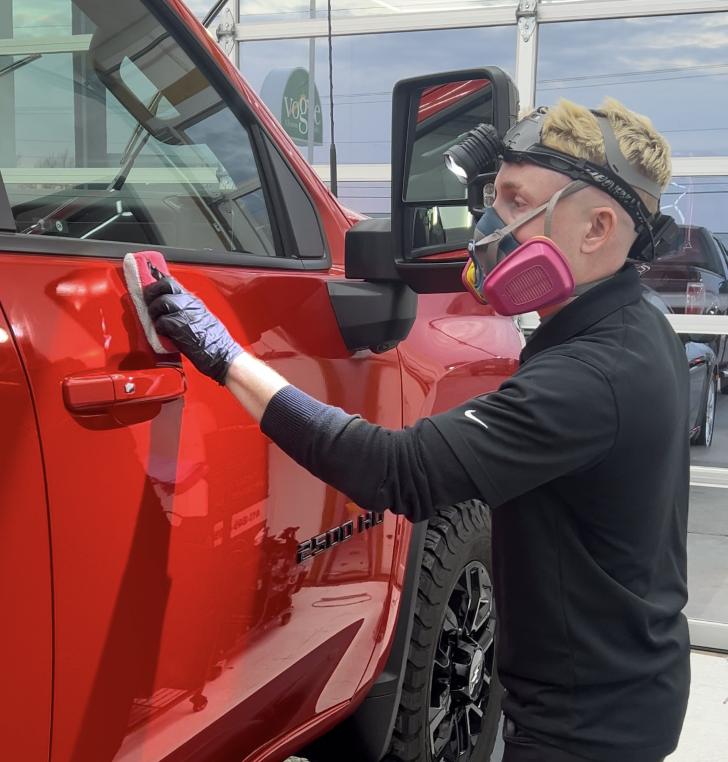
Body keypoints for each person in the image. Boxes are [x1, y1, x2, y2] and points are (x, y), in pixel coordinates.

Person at [144, 97, 690, 762]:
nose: (489, 226)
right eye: (494, 197)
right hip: (627, 690)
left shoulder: (594, 374)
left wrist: (229, 359)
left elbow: (395, 471)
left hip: (587, 731)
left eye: (517, 203)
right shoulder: (633, 323)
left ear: (597, 228)